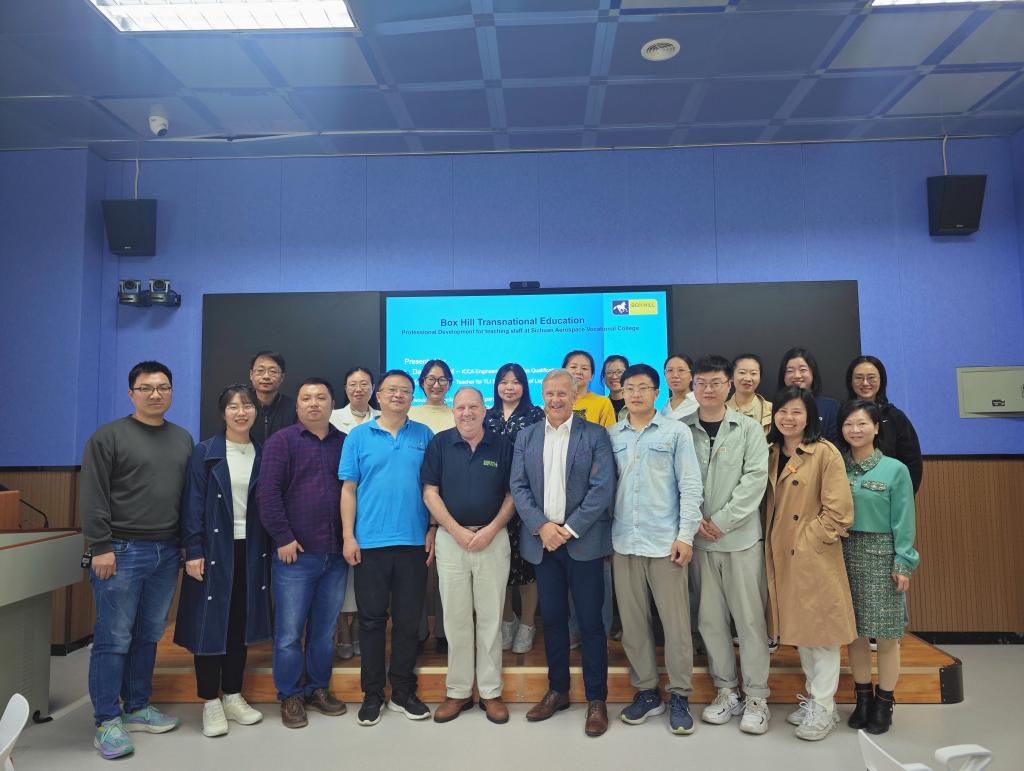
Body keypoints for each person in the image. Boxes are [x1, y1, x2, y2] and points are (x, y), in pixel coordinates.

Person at [80, 361, 194, 760]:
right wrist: (100, 546)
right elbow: (93, 494)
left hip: (167, 551)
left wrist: (185, 544)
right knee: (113, 638)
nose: (155, 394)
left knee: (148, 634)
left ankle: (138, 706)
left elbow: (186, 498)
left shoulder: (182, 439)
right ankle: (106, 720)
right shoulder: (108, 437)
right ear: (131, 393)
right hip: (120, 551)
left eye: (163, 387)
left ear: (172, 392)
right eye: (146, 388)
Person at [510, 368, 616, 737]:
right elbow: (518, 486)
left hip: (582, 542)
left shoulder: (595, 434)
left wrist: (568, 530)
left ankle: (597, 699)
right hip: (543, 544)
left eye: (562, 394)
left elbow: (602, 488)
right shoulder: (527, 436)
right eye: (550, 393)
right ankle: (558, 691)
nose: (555, 400)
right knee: (553, 620)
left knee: (590, 623)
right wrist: (542, 526)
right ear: (543, 397)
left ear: (574, 396)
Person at [609, 364, 703, 735]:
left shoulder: (676, 432)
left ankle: (680, 695)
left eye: (643, 387)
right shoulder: (611, 435)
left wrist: (686, 536)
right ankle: (647, 692)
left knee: (676, 625)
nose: (635, 394)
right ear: (622, 392)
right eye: (629, 388)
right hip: (624, 542)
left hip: (665, 543)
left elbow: (690, 486)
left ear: (655, 391)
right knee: (633, 625)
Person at [174, 384, 271, 737]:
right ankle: (209, 701)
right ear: (223, 413)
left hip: (252, 549)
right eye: (233, 406)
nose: (241, 412)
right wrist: (194, 550)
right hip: (214, 550)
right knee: (209, 623)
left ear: (256, 411)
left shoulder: (263, 452)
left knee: (239, 624)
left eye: (247, 406)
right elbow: (193, 505)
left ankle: (232, 694)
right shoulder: (206, 452)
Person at [340, 369, 435, 726]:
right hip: (370, 543)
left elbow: (432, 488)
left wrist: (433, 528)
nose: (398, 395)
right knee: (372, 622)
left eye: (405, 390)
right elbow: (348, 489)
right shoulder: (358, 437)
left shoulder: (424, 435)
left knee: (409, 622)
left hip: (413, 542)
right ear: (378, 395)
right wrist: (348, 536)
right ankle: (372, 694)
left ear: (412, 397)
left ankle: (403, 691)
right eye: (391, 390)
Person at [682, 356, 771, 735]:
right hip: (699, 543)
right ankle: (726, 691)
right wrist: (694, 521)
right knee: (709, 621)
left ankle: (757, 697)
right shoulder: (681, 430)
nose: (708, 389)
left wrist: (721, 520)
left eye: (716, 382)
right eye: (701, 382)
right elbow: (674, 480)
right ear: (693, 386)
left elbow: (755, 480)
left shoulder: (748, 429)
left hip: (739, 541)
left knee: (749, 621)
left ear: (728, 385)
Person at [765, 386, 856, 742]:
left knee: (823, 634)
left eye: (797, 412)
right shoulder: (771, 451)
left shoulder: (824, 452)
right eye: (783, 411)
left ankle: (824, 707)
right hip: (780, 555)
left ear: (809, 418)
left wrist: (807, 541)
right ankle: (815, 699)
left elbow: (840, 512)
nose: (788, 418)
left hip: (812, 555)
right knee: (802, 632)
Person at [422, 387, 516, 725]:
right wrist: (453, 529)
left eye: (473, 407)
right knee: (455, 619)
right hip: (452, 540)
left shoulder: (502, 445)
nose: (467, 413)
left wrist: (490, 529)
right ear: (454, 411)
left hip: (493, 538)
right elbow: (429, 492)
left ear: (484, 410)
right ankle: (458, 691)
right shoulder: (440, 444)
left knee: (491, 618)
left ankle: (490, 692)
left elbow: (513, 494)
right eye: (461, 407)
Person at [258, 378, 348, 729]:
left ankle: (318, 688)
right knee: (289, 634)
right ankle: (290, 694)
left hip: (335, 554)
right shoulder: (281, 442)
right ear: (297, 406)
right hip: (295, 555)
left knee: (324, 631)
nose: (314, 403)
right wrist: (283, 537)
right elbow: (268, 494)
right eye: (306, 398)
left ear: (331, 404)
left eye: (321, 397)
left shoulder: (345, 442)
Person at [839, 400, 919, 735]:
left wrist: (904, 561)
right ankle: (863, 698)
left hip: (882, 554)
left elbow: (904, 518)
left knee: (886, 636)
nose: (855, 430)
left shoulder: (894, 469)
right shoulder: (836, 465)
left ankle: (885, 702)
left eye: (862, 424)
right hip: (842, 553)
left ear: (875, 428)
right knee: (854, 634)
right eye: (848, 424)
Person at [485, 363, 545, 655]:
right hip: (493, 501)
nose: (509, 387)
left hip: (528, 501)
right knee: (500, 568)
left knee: (527, 567)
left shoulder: (536, 415)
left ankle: (528, 624)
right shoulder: (487, 416)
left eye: (516, 381)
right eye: (504, 381)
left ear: (524, 386)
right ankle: (507, 620)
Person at [329, 367, 380, 660]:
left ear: (373, 388)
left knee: (366, 572)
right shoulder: (333, 417)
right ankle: (342, 630)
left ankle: (360, 627)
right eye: (353, 384)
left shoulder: (383, 417)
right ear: (345, 388)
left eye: (364, 384)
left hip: (374, 506)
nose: (358, 389)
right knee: (340, 571)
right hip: (339, 500)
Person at [408, 358, 454, 650]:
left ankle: (444, 633)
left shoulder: (457, 413)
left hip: (450, 501)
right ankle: (418, 630)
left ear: (450, 383)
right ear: (422, 383)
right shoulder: (409, 414)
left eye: (442, 379)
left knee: (447, 572)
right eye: (431, 379)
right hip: (413, 499)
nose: (436, 385)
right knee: (417, 570)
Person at [845, 355, 923, 494]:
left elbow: (912, 461)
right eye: (859, 378)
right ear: (850, 381)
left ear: (881, 380)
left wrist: (902, 494)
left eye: (871, 377)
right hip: (846, 491)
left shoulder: (895, 416)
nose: (865, 383)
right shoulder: (841, 414)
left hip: (886, 494)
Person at [776, 347, 839, 444]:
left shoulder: (830, 407)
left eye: (802, 369)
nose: (797, 376)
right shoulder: (774, 406)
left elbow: (837, 445)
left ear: (813, 372)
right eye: (790, 371)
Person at [248, 351, 296, 443]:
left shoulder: (294, 408)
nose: (266, 376)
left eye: (273, 371)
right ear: (251, 375)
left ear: (282, 377)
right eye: (260, 371)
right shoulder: (241, 406)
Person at [564, 350, 616, 428]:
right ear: (563, 372)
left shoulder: (603, 403)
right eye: (573, 367)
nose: (578, 372)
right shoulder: (555, 401)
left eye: (584, 368)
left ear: (591, 376)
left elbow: (609, 434)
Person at [726, 353, 772, 435]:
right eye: (742, 372)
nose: (747, 378)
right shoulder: (721, 410)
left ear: (760, 377)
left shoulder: (771, 410)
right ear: (732, 376)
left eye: (753, 373)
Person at [661, 354, 698, 421]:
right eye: (670, 370)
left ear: (691, 376)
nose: (675, 375)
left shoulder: (699, 402)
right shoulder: (665, 407)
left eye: (681, 370)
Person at [601, 354, 630, 419]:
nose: (614, 377)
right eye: (609, 372)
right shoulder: (600, 406)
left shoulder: (637, 405)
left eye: (619, 372)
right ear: (604, 376)